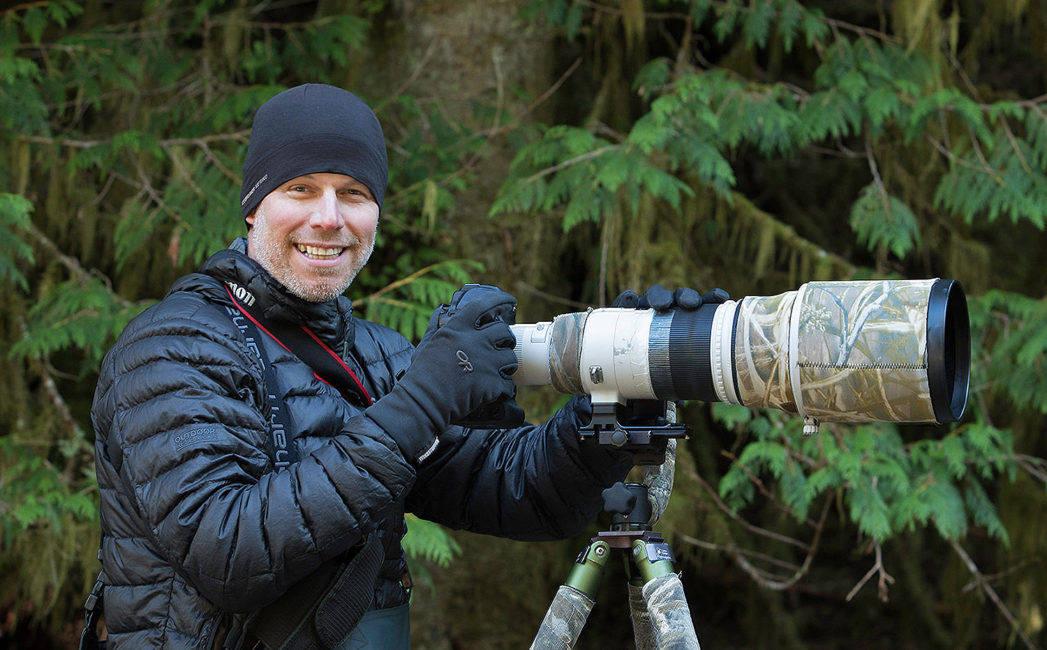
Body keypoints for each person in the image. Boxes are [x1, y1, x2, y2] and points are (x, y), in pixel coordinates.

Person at [86, 83, 708, 649]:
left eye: (353, 193)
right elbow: (228, 553)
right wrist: (420, 406)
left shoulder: (375, 354)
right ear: (254, 207)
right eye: (300, 188)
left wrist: (621, 389)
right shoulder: (170, 349)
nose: (328, 217)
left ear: (375, 214)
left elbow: (520, 493)